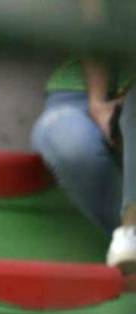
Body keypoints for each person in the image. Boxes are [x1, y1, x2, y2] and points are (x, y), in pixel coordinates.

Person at [29, 0, 135, 278]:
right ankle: (128, 238)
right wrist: (98, 104)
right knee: (64, 137)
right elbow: (94, 18)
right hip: (81, 91)